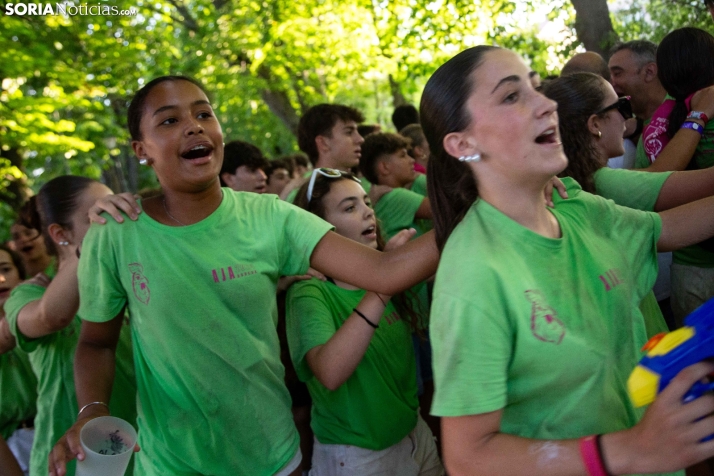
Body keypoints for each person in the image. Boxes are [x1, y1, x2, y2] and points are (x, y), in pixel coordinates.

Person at [48, 75, 438, 476]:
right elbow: (96, 344)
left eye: (204, 113)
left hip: (274, 458)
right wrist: (90, 412)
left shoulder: (270, 216)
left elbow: (384, 272)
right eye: (168, 121)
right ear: (141, 150)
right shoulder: (115, 233)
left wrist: (473, 203)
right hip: (173, 464)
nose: (194, 125)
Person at [420, 45, 714, 476]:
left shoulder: (576, 206)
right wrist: (624, 452)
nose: (546, 105)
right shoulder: (475, 271)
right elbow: (468, 457)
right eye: (511, 96)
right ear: (462, 144)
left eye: (536, 88)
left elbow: (666, 229)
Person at [287, 169, 442, 475]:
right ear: (320, 228)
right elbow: (330, 372)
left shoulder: (386, 266)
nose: (368, 212)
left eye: (367, 202)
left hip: (415, 436)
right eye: (350, 207)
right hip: (358, 457)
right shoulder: (309, 292)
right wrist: (384, 283)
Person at [543, 72, 714, 331]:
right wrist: (699, 115)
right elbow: (670, 223)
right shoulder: (601, 184)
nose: (628, 116)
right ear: (594, 124)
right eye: (621, 106)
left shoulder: (565, 185)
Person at [4, 176, 137, 476]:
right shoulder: (29, 293)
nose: (113, 219)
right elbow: (50, 317)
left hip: (138, 455)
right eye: (98, 214)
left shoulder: (128, 283)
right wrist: (91, 247)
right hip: (65, 464)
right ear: (60, 233)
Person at [0, 245, 37, 475]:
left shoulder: (39, 313)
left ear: (21, 274)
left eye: (6, 269)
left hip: (60, 431)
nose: (1, 278)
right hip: (11, 449)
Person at [282, 104, 367, 202]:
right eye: (348, 132)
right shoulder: (305, 193)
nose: (360, 139)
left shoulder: (353, 183)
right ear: (323, 143)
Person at [10, 199, 52, 278]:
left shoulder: (61, 265)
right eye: (16, 237)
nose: (23, 239)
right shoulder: (16, 277)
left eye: (28, 233)